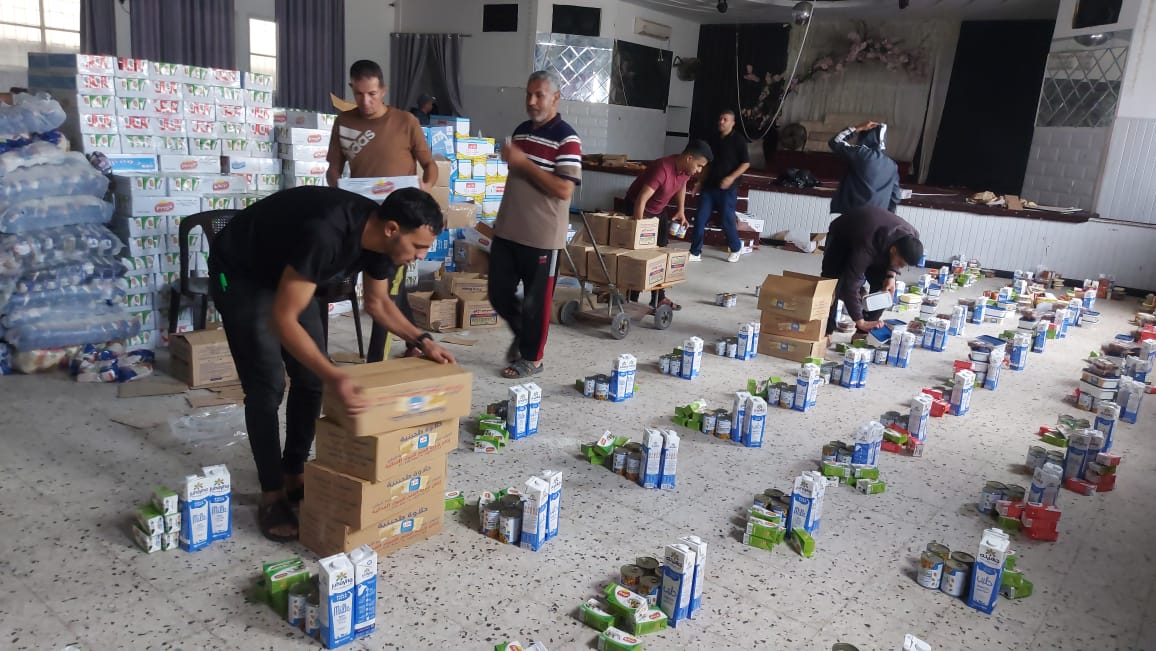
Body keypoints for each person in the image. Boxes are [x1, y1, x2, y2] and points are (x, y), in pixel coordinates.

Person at [208, 186, 456, 542]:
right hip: (242, 272)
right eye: (418, 246)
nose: (421, 255)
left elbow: (378, 303)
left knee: (310, 378)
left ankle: (294, 471)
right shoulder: (326, 232)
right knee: (267, 385)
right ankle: (272, 493)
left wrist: (422, 340)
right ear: (392, 229)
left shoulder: (383, 243)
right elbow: (283, 320)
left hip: (292, 271)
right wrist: (335, 375)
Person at [327, 59, 438, 363]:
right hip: (362, 223)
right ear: (352, 89)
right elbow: (333, 168)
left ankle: (377, 363)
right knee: (388, 287)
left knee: (384, 295)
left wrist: (425, 188)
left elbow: (430, 166)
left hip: (399, 228)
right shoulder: (344, 123)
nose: (366, 101)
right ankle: (416, 341)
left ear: (383, 90)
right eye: (359, 94)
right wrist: (338, 187)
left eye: (372, 94)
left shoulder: (405, 122)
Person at [489, 70, 582, 379]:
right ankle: (522, 333)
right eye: (528, 94)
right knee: (498, 293)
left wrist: (523, 163)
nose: (531, 101)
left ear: (555, 98)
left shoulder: (567, 139)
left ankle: (532, 358)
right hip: (508, 229)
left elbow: (564, 189)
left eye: (539, 95)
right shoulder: (521, 132)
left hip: (542, 236)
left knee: (536, 304)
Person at [623, 140, 713, 310]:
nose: (699, 170)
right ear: (689, 158)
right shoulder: (662, 169)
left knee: (661, 254)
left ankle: (658, 298)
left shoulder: (686, 170)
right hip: (638, 208)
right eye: (699, 166)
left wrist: (681, 210)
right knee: (640, 253)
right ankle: (631, 297)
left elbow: (682, 185)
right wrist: (640, 228)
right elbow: (641, 199)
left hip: (658, 210)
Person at [820, 205, 923, 338]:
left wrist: (891, 275)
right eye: (900, 263)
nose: (900, 267)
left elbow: (895, 263)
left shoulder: (912, 236)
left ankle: (862, 332)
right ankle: (825, 331)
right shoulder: (866, 248)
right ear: (893, 250)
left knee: (884, 288)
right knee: (831, 283)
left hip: (875, 238)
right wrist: (859, 320)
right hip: (843, 235)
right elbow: (850, 285)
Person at [690, 110, 750, 263]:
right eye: (720, 119)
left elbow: (746, 163)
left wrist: (731, 178)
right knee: (700, 218)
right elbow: (707, 164)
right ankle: (695, 252)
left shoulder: (738, 140)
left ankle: (736, 248)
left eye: (725, 119)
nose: (721, 122)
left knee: (726, 220)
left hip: (727, 189)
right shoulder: (713, 139)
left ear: (733, 123)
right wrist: (699, 182)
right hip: (709, 187)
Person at [828, 121, 901, 215]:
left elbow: (835, 142)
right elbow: (895, 196)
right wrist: (887, 216)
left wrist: (858, 128)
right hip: (880, 216)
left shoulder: (862, 154)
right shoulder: (892, 165)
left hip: (855, 215)